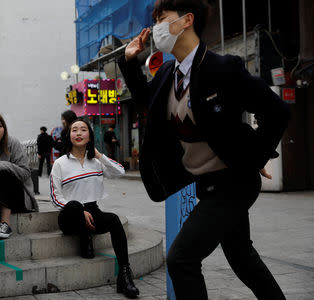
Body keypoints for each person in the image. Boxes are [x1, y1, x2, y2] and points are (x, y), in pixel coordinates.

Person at [118, 0, 289, 299]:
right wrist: (130, 62)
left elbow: (276, 111)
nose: (155, 27)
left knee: (181, 258)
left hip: (234, 182)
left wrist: (255, 155)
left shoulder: (221, 68)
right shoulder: (168, 73)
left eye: (162, 18)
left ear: (186, 20)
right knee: (242, 258)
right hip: (206, 183)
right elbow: (149, 102)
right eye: (154, 19)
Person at [50, 117, 139, 299]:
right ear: (69, 136)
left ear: (89, 136)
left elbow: (120, 171)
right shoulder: (60, 163)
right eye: (74, 130)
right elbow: (54, 196)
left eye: (83, 129)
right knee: (75, 205)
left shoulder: (96, 162)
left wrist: (100, 155)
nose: (79, 133)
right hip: (70, 215)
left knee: (114, 219)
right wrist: (80, 212)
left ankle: (124, 275)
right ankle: (85, 238)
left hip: (93, 210)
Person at [0, 112, 39, 240]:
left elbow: (25, 173)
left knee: (3, 173)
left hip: (18, 195)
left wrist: (1, 165)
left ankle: (5, 224)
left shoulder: (13, 143)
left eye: (0, 126)